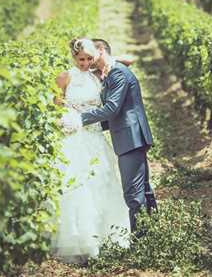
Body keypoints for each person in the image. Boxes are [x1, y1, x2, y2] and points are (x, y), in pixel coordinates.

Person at [61, 37, 156, 234]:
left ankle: (141, 240)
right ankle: (152, 235)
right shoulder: (108, 72)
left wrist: (80, 120)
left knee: (133, 192)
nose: (89, 63)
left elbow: (112, 108)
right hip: (125, 137)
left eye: (91, 57)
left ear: (100, 51)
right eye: (83, 59)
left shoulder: (118, 73)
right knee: (142, 189)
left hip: (131, 138)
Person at [51, 38, 130, 264]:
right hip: (74, 136)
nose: (84, 63)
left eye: (88, 59)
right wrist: (65, 111)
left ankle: (107, 239)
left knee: (102, 181)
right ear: (73, 58)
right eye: (80, 59)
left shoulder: (97, 74)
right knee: (77, 186)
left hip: (94, 135)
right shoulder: (65, 76)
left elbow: (127, 61)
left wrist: (102, 58)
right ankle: (82, 241)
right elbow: (54, 100)